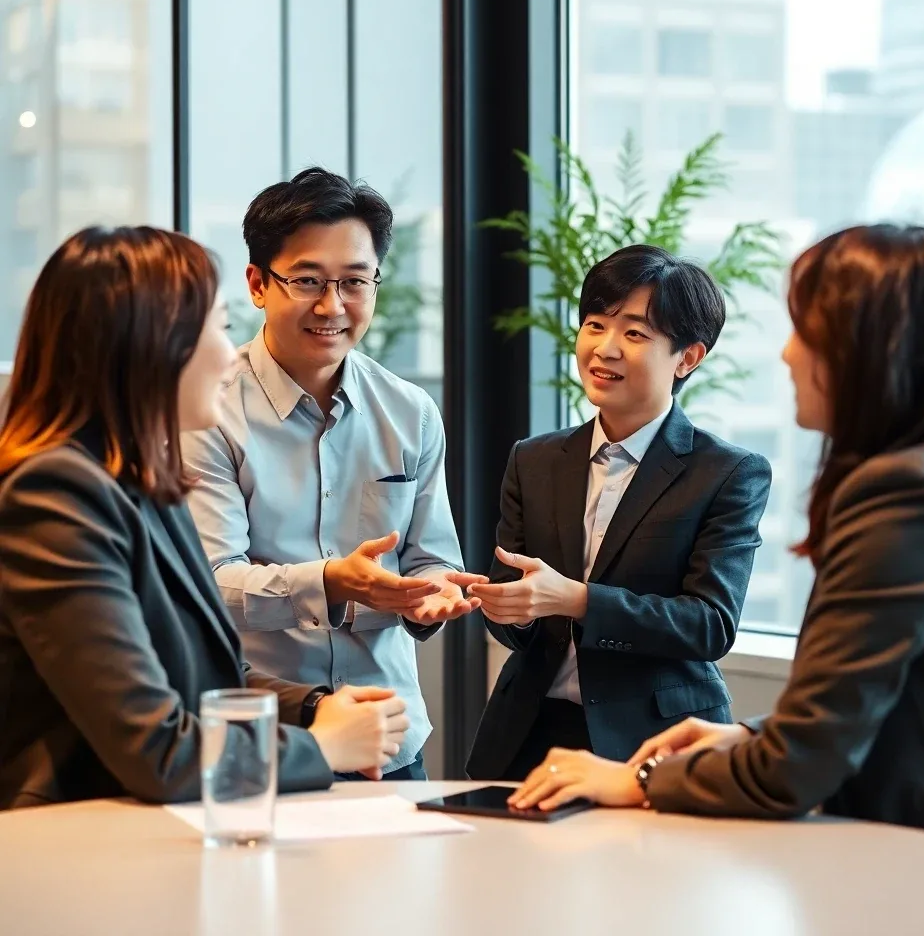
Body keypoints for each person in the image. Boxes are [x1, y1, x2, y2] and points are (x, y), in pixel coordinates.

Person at [510, 224, 924, 846]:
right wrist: (749, 738)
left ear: (870, 348)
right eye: (596, 323)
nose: (788, 355)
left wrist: (641, 778)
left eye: (806, 330)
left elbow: (798, 763)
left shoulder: (909, 495)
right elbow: (872, 709)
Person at [0, 226, 410, 811]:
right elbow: (155, 748)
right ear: (145, 345)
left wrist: (315, 707)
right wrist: (320, 747)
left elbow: (204, 676)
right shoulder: (55, 493)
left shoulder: (142, 485)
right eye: (214, 327)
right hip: (74, 840)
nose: (228, 352)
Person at [181, 168, 476, 782]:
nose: (332, 306)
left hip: (388, 736)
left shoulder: (411, 412)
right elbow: (210, 584)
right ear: (258, 284)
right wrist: (333, 582)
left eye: (354, 282)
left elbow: (432, 558)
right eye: (308, 281)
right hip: (263, 736)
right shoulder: (206, 408)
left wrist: (433, 595)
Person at [450, 245, 772, 781]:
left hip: (654, 739)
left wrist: (577, 600)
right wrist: (508, 607)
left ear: (688, 357)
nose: (606, 348)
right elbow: (518, 617)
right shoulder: (533, 459)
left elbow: (710, 625)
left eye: (636, 333)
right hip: (529, 733)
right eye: (595, 324)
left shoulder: (728, 472)